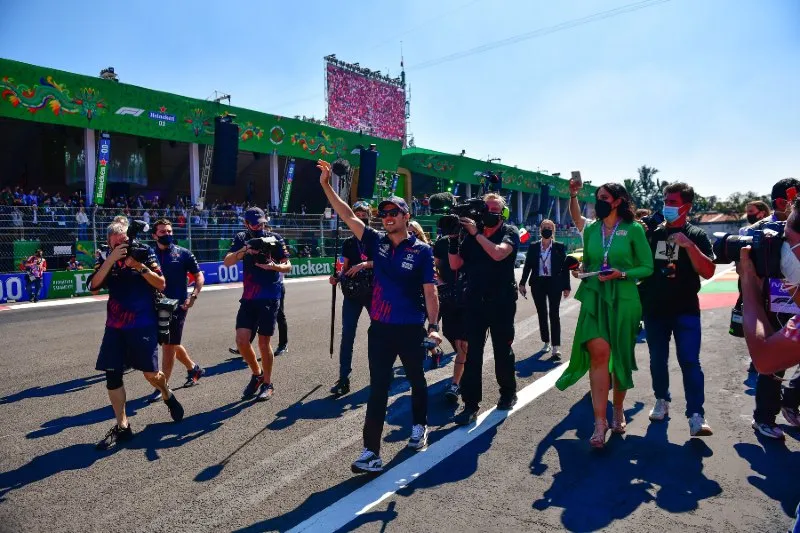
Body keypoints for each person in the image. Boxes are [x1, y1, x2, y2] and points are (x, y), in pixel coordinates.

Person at [319, 160, 441, 474]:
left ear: (406, 216)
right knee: (377, 389)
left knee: (416, 380)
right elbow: (346, 213)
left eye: (393, 213)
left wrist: (434, 327)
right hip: (381, 329)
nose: (386, 218)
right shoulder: (376, 242)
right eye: (383, 214)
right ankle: (371, 452)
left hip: (412, 329)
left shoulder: (423, 252)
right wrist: (325, 184)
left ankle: (419, 425)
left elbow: (431, 292)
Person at [557, 179, 654, 448]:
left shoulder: (633, 229)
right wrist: (581, 270)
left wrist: (622, 273)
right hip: (595, 297)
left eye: (604, 197)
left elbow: (646, 267)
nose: (599, 201)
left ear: (618, 200)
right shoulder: (592, 230)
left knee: (620, 356)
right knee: (599, 354)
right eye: (597, 196)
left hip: (624, 299)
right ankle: (599, 423)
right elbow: (578, 221)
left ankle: (618, 409)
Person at [88, 220, 184, 450]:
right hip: (115, 326)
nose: (123, 245)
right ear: (110, 242)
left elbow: (161, 284)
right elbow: (93, 286)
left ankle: (166, 393)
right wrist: (111, 259)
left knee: (151, 375)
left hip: (142, 324)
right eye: (117, 243)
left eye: (125, 241)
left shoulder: (143, 251)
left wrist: (138, 266)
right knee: (112, 375)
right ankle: (122, 426)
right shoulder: (104, 256)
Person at [638, 183, 715, 436]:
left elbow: (708, 271)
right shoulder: (652, 234)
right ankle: (662, 400)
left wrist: (688, 245)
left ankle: (696, 415)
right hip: (655, 309)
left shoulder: (697, 235)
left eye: (673, 202)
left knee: (690, 362)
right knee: (657, 360)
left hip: (685, 310)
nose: (667, 206)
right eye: (666, 201)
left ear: (686, 206)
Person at [448, 193, 521, 425]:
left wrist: (476, 234)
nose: (489, 212)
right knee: (472, 354)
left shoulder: (510, 231)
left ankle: (508, 392)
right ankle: (470, 404)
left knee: (502, 351)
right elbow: (455, 264)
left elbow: (499, 253)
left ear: (502, 212)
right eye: (485, 208)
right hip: (474, 302)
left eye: (494, 209)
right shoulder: (470, 235)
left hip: (501, 302)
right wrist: (452, 238)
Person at [749, 178, 800, 439]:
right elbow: (747, 271)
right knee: (772, 366)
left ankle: (791, 402)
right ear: (783, 201)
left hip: (796, 305)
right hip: (774, 307)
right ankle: (765, 418)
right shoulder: (759, 230)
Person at [223, 207, 291, 402]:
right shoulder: (241, 238)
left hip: (270, 295)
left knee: (263, 342)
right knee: (242, 342)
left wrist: (274, 266)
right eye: (255, 224)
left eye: (261, 222)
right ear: (246, 223)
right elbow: (227, 262)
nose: (259, 227)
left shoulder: (275, 238)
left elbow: (288, 266)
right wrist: (245, 250)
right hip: (249, 296)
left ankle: (268, 384)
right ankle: (257, 373)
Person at [146, 219, 205, 403]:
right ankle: (193, 368)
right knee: (168, 343)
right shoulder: (149, 254)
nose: (167, 234)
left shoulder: (183, 253)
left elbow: (199, 275)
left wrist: (193, 295)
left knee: (169, 347)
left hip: (177, 306)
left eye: (170, 231)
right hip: (154, 305)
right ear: (154, 235)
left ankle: (162, 385)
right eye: (163, 232)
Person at [329, 201, 374, 397]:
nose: (360, 216)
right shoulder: (348, 242)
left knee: (381, 333)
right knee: (347, 335)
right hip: (353, 293)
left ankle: (383, 374)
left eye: (364, 214)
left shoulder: (377, 238)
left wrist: (365, 265)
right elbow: (345, 268)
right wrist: (337, 277)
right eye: (357, 214)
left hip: (375, 292)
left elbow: (386, 262)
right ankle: (343, 378)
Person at [519, 219, 571, 358]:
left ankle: (555, 347)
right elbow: (528, 266)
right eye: (544, 227)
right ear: (540, 229)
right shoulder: (534, 246)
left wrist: (566, 286)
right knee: (542, 313)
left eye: (549, 227)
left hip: (554, 283)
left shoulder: (559, 246)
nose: (547, 229)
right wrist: (522, 283)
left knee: (554, 314)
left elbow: (564, 268)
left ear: (553, 230)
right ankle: (546, 342)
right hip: (538, 283)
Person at [433, 225, 469, 402]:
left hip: (468, 298)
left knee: (462, 343)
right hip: (448, 297)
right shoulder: (441, 244)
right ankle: (464, 365)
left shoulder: (472, 240)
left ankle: (455, 384)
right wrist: (440, 283)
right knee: (450, 334)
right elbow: (435, 267)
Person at [409, 220, 444, 367]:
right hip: (411, 294)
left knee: (421, 330)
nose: (410, 235)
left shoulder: (427, 249)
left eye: (413, 232)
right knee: (415, 331)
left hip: (429, 294)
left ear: (419, 232)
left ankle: (431, 352)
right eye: (408, 232)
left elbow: (436, 272)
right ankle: (434, 351)